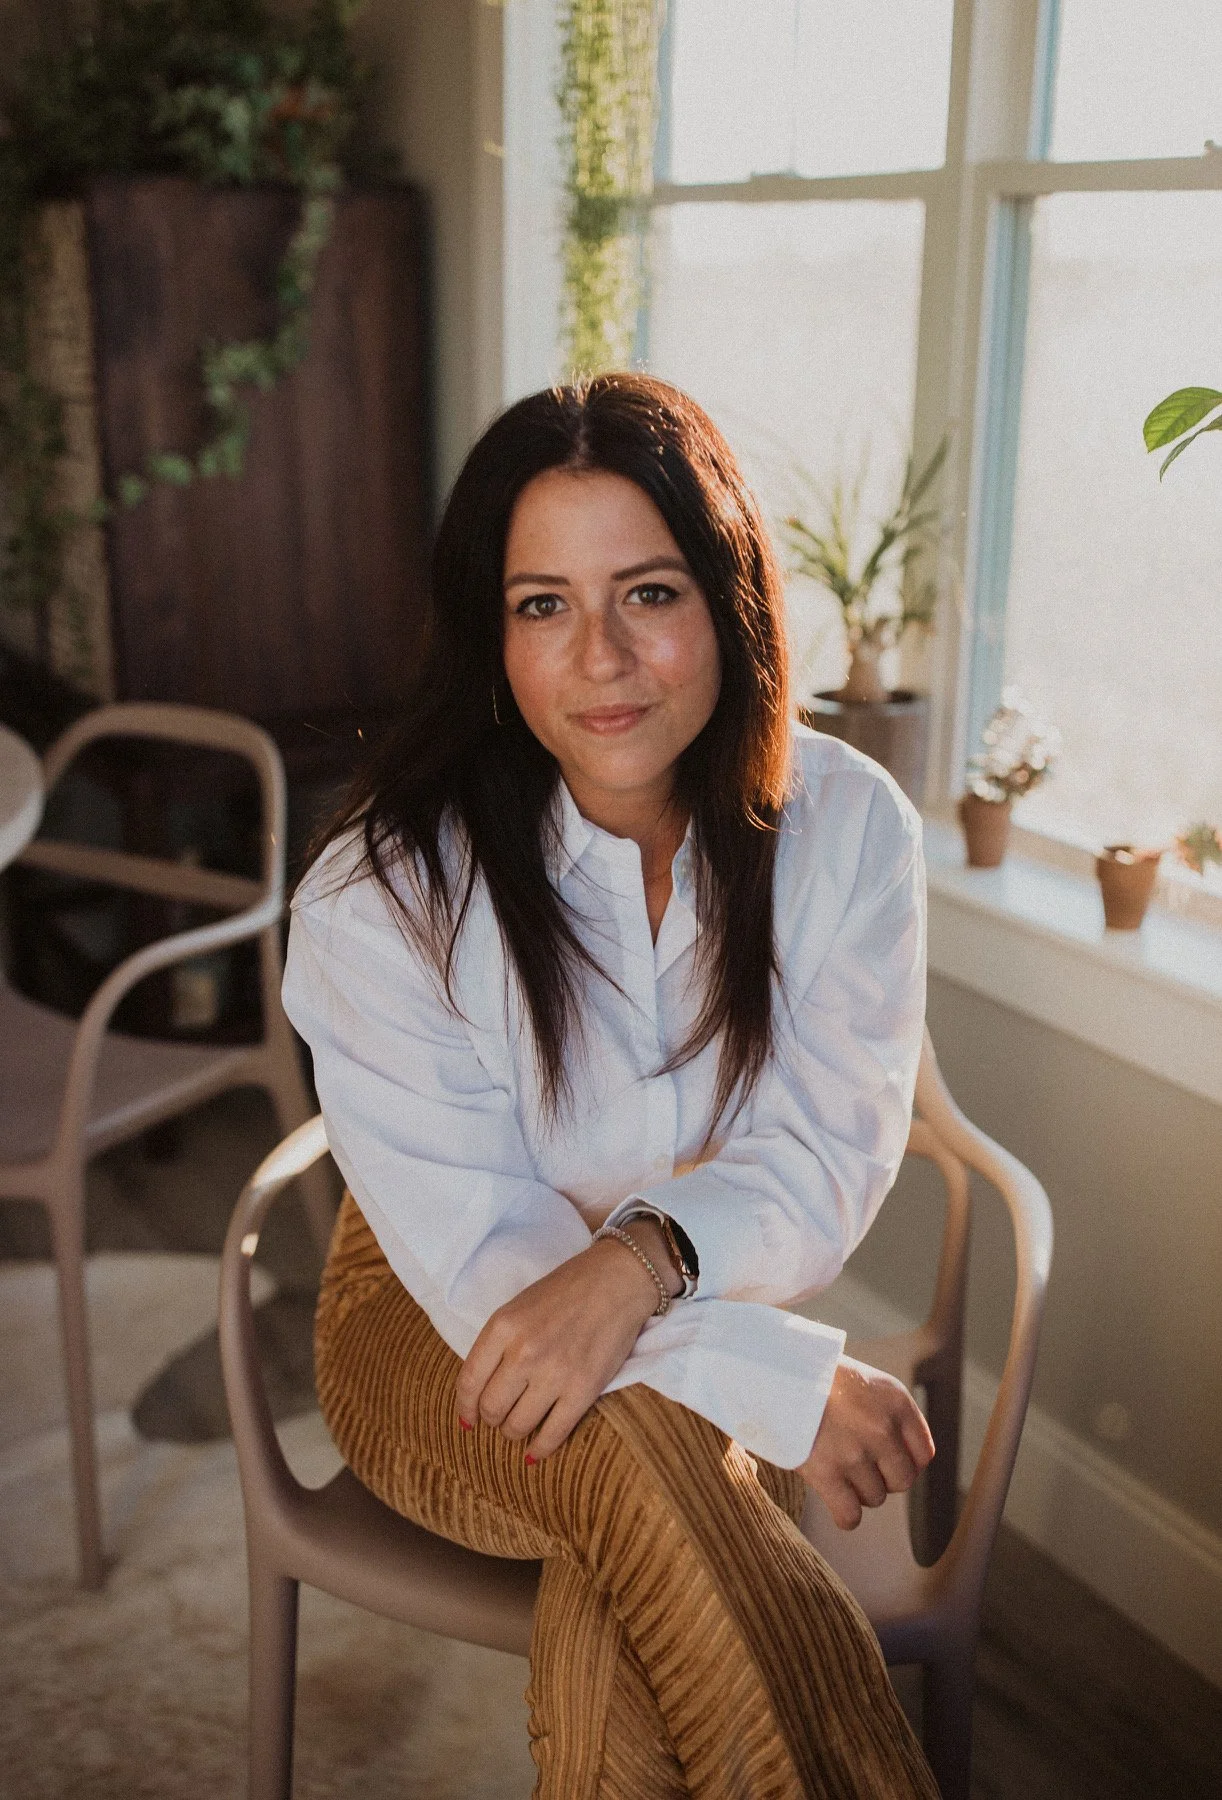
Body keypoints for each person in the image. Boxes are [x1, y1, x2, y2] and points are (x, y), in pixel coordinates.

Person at [283, 373, 939, 1799]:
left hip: (694, 1301)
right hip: (431, 1317)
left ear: (728, 600)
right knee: (653, 1442)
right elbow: (487, 1274)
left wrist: (640, 1263)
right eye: (543, 606)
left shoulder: (849, 829)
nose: (602, 659)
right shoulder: (381, 892)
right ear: (491, 635)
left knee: (634, 1560)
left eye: (648, 593)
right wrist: (776, 1379)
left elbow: (825, 1157)